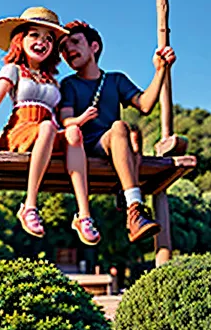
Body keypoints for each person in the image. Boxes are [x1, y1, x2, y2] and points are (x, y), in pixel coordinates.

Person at [0, 7, 100, 246]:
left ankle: (83, 215)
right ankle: (30, 205)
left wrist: (81, 120)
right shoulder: (13, 70)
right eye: (34, 35)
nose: (41, 42)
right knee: (46, 127)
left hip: (48, 132)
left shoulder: (52, 80)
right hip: (21, 131)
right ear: (20, 39)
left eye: (48, 39)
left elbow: (59, 119)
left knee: (73, 132)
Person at [58, 20, 176, 243]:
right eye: (63, 47)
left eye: (74, 42)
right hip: (82, 146)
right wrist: (82, 119)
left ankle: (133, 210)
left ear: (94, 47)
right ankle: (134, 204)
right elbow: (66, 121)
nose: (68, 50)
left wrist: (161, 70)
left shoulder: (115, 80)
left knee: (123, 129)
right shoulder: (68, 85)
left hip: (110, 144)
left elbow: (146, 104)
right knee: (123, 131)